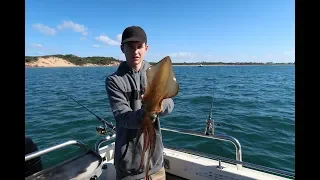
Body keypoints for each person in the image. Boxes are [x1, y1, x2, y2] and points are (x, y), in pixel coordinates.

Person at [105, 26, 174, 180]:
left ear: (146, 48)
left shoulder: (155, 75)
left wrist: (159, 104)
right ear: (122, 48)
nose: (135, 51)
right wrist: (146, 111)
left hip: (156, 165)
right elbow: (122, 117)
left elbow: (170, 103)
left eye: (139, 47)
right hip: (129, 168)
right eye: (130, 47)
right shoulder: (114, 81)